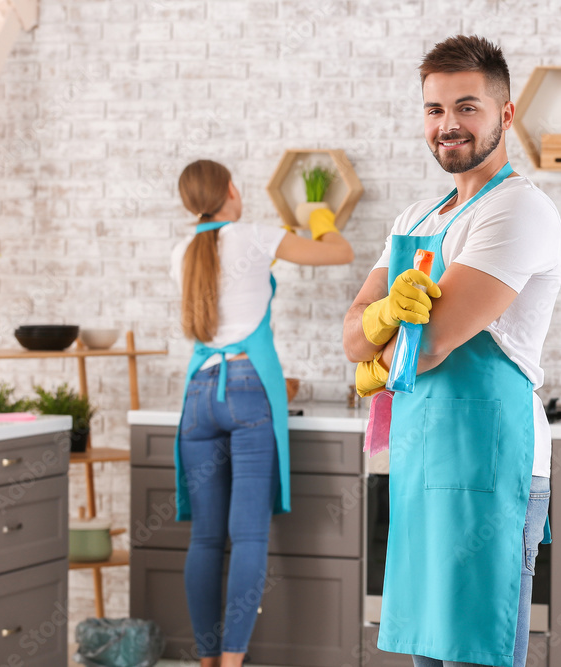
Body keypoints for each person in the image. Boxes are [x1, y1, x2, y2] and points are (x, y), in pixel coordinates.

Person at [343, 36, 561, 667]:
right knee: (427, 655)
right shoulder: (423, 213)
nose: (448, 125)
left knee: (475, 650)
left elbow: (434, 343)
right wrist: (383, 320)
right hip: (422, 454)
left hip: (493, 461)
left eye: (467, 107)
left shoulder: (518, 210)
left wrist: (377, 350)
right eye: (435, 110)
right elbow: (353, 332)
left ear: (505, 114)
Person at [170, 159, 353, 667]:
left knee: (205, 538)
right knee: (247, 534)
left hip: (198, 397)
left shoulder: (183, 251)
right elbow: (340, 253)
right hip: (249, 392)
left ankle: (207, 661)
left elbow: (233, 278)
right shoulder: (253, 236)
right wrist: (318, 216)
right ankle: (232, 662)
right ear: (231, 189)